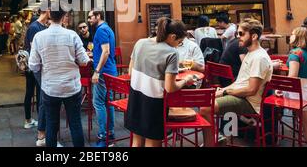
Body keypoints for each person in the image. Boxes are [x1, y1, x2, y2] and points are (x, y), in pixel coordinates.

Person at [200, 19, 273, 147]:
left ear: (254, 36)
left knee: (206, 108)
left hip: (249, 102)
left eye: (241, 34)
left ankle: (211, 143)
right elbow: (239, 82)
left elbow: (251, 90)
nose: (237, 37)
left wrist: (225, 91)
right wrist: (222, 91)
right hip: (241, 96)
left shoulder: (259, 58)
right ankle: (220, 138)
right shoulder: (251, 53)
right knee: (204, 100)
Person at [125, 17, 196, 147]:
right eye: (179, 42)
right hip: (154, 102)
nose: (178, 45)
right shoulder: (172, 53)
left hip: (135, 97)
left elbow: (130, 72)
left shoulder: (140, 43)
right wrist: (186, 81)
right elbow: (170, 87)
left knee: (136, 141)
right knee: (152, 142)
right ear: (173, 37)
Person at [29, 4, 90, 147]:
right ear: (63, 17)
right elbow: (83, 62)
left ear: (50, 15)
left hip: (50, 88)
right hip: (71, 87)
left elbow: (33, 65)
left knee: (51, 125)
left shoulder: (39, 37)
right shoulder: (72, 35)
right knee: (75, 123)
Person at [87, 9, 118, 147]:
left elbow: (106, 51)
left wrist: (97, 71)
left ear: (98, 16)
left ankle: (103, 136)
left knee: (98, 103)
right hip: (110, 70)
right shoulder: (108, 29)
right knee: (108, 102)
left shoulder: (101, 30)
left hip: (104, 72)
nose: (88, 20)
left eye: (90, 17)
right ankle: (110, 135)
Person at [24, 8, 50, 146]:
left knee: (38, 94)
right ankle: (31, 123)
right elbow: (35, 49)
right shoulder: (35, 27)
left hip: (38, 66)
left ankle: (39, 124)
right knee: (33, 93)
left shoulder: (41, 26)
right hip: (34, 67)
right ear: (47, 11)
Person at [284, 26, 307, 141]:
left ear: (297, 37)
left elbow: (292, 77)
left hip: (301, 92)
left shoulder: (295, 54)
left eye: (292, 34)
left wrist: (281, 88)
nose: (290, 35)